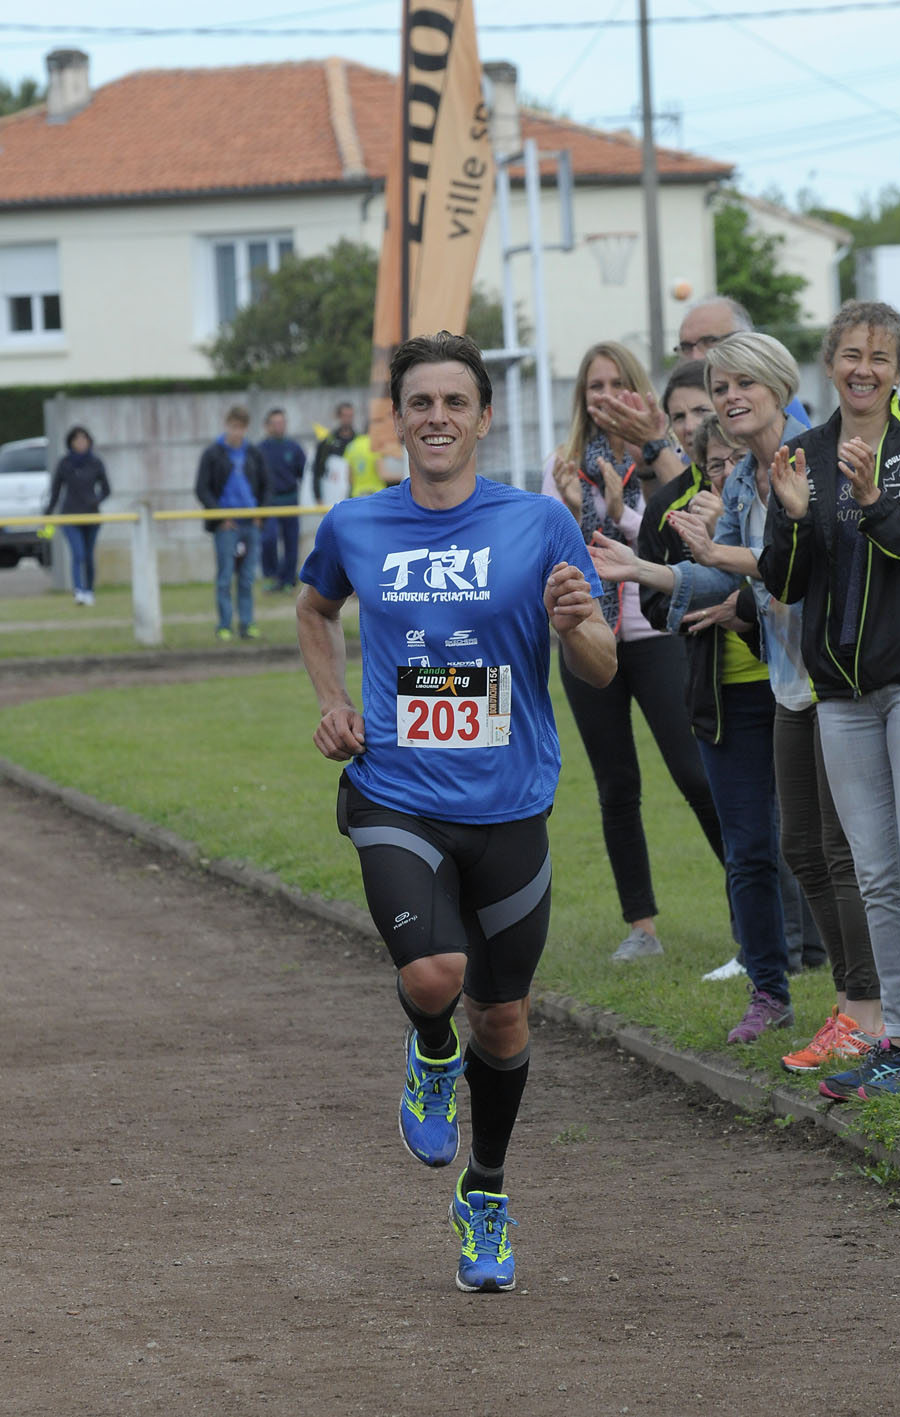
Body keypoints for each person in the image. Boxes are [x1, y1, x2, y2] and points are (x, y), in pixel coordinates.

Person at [296, 330, 615, 1293]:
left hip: (509, 802)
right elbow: (314, 609)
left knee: (504, 1015)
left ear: (483, 418)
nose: (436, 417)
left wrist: (577, 626)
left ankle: (485, 1191)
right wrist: (333, 701)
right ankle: (430, 1051)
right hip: (395, 789)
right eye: (419, 403)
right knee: (436, 975)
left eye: (454, 402)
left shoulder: (539, 523)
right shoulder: (356, 524)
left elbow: (601, 664)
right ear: (398, 420)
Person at [590, 334, 808, 1045]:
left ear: (780, 385)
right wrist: (641, 568)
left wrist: (735, 586)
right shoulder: (732, 484)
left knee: (826, 851)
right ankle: (769, 992)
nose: (725, 400)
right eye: (718, 390)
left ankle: (868, 1006)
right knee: (749, 849)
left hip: (817, 684)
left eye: (741, 384)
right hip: (731, 692)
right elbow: (708, 577)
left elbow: (795, 567)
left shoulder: (811, 461)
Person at [761, 300, 900, 1099]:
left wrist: (872, 505)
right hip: (837, 691)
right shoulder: (802, 455)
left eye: (878, 356)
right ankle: (899, 1040)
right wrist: (793, 520)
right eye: (849, 354)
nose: (862, 369)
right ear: (828, 362)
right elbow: (783, 581)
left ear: (899, 369)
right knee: (874, 872)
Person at [543, 343, 725, 963]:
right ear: (582, 396)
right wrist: (574, 510)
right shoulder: (562, 466)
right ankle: (640, 926)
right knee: (616, 785)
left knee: (694, 774)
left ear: (638, 389)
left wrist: (619, 515)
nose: (605, 396)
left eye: (617, 383)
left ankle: (758, 908)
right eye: (594, 385)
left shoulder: (661, 458)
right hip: (588, 637)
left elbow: (671, 543)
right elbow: (555, 558)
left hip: (652, 635)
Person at [637, 372, 749, 981]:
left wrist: (739, 598)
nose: (688, 426)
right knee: (744, 826)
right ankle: (762, 949)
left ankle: (803, 949)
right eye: (677, 416)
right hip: (715, 681)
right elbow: (661, 603)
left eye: (699, 412)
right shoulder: (668, 506)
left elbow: (781, 570)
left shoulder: (761, 487)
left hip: (784, 682)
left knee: (797, 832)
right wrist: (700, 604)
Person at [591, 294, 810, 488]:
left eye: (709, 341)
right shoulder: (742, 479)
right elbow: (687, 498)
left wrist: (655, 446)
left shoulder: (778, 408)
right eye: (686, 347)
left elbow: (703, 498)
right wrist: (647, 465)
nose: (696, 356)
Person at [195, 405, 269, 642]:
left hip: (250, 523)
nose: (237, 432)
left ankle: (247, 624)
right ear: (227, 425)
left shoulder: (254, 453)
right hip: (226, 526)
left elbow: (267, 486)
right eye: (234, 426)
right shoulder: (212, 454)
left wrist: (260, 515)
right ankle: (224, 625)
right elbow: (202, 488)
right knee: (225, 577)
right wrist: (220, 517)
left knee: (247, 578)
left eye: (242, 428)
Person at [45, 424, 110, 605]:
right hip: (70, 516)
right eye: (77, 439)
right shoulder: (65, 463)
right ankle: (79, 591)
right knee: (78, 554)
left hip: (91, 515)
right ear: (71, 442)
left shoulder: (95, 462)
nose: (81, 442)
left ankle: (89, 591)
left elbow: (107, 490)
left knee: (89, 556)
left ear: (89, 441)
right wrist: (48, 512)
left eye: (84, 439)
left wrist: (95, 500)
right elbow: (56, 491)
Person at [258, 407, 307, 593]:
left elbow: (305, 474)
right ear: (267, 426)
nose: (279, 426)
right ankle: (271, 576)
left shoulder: (294, 448)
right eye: (275, 423)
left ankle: (288, 580)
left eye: (282, 422)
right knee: (268, 539)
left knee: (291, 541)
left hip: (290, 500)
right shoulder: (260, 449)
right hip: (269, 502)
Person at [313, 401, 357, 504]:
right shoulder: (327, 442)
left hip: (354, 495)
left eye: (350, 416)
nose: (347, 419)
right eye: (344, 416)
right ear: (338, 417)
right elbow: (317, 470)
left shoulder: (359, 441)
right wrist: (318, 496)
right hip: (332, 494)